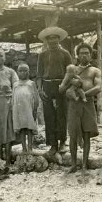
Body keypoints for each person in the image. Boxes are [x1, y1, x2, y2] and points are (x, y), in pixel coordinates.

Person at [59, 43, 102, 174]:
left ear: (91, 55)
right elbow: (62, 88)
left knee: (87, 134)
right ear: (77, 55)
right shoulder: (72, 70)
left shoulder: (95, 71)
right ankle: (73, 164)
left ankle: (84, 164)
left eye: (87, 53)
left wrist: (83, 94)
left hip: (87, 104)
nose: (84, 55)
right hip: (73, 105)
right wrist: (70, 85)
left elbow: (98, 87)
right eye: (81, 53)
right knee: (73, 134)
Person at [37, 26, 72, 157]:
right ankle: (53, 144)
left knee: (62, 114)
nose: (52, 41)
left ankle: (63, 141)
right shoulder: (42, 55)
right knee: (49, 115)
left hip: (62, 85)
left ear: (59, 39)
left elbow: (70, 72)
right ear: (46, 41)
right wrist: (39, 89)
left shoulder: (65, 54)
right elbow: (39, 74)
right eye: (49, 39)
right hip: (47, 86)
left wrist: (65, 86)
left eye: (55, 39)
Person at [12, 63, 41, 154]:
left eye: (25, 71)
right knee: (21, 129)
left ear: (28, 72)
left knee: (29, 128)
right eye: (20, 71)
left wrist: (35, 109)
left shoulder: (31, 83)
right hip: (19, 110)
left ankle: (30, 147)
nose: (23, 73)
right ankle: (23, 147)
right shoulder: (15, 84)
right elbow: (13, 98)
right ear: (17, 72)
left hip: (29, 109)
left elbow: (36, 97)